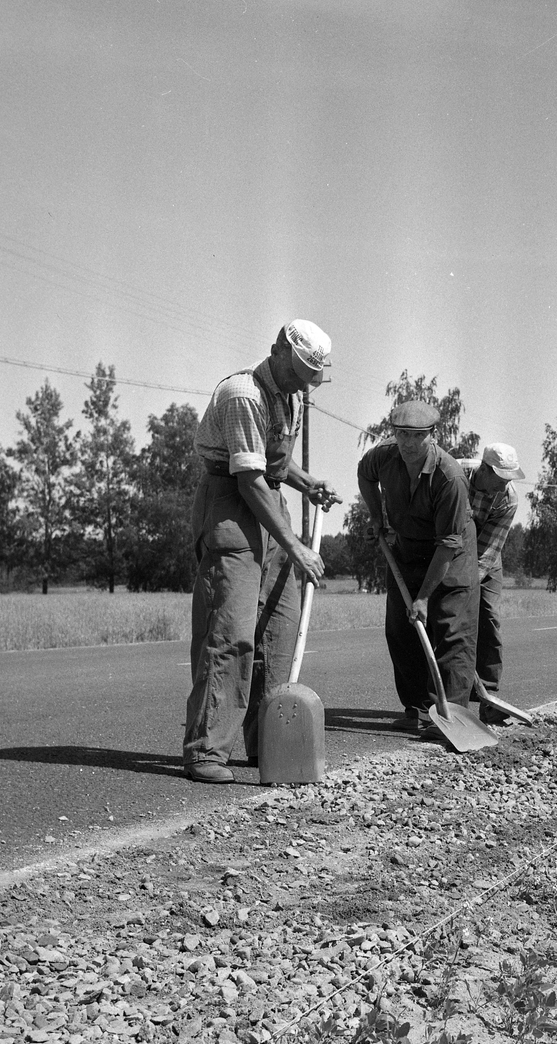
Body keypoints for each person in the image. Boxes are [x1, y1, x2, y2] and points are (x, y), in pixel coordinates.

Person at [183, 319, 342, 784]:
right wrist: (297, 548)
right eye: (300, 372)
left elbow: (271, 462)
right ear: (278, 350)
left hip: (268, 500)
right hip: (231, 503)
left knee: (279, 628)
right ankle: (206, 750)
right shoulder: (243, 394)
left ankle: (270, 744)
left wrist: (307, 483)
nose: (305, 383)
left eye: (312, 376)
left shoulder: (291, 394)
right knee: (231, 631)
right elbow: (248, 477)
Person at [357, 401, 479, 730]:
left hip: (451, 552)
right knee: (401, 628)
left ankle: (451, 717)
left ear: (432, 435)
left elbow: (447, 544)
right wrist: (377, 517)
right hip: (407, 546)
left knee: (451, 629)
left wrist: (424, 597)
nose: (409, 443)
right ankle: (418, 709)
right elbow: (365, 475)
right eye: (402, 434)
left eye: (417, 436)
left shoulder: (450, 477)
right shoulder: (382, 456)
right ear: (394, 434)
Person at [461, 443, 525, 724]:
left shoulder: (509, 498)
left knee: (487, 616)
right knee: (447, 621)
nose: (504, 486)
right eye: (500, 479)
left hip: (485, 554)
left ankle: (488, 696)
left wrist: (467, 589)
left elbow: (486, 552)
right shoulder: (456, 474)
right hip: (448, 548)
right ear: (484, 469)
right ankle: (447, 696)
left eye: (508, 480)